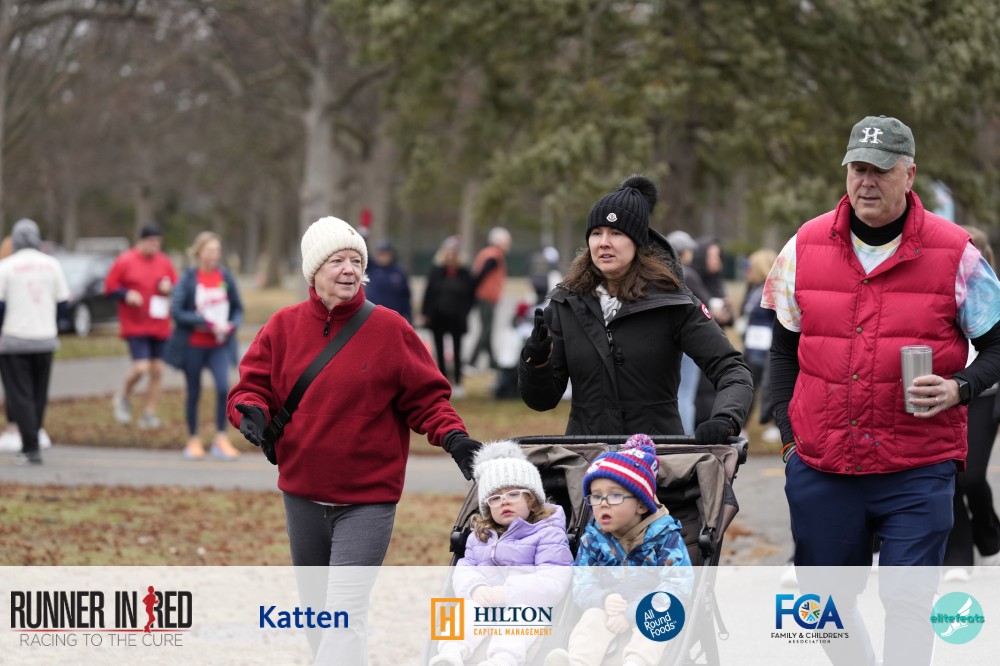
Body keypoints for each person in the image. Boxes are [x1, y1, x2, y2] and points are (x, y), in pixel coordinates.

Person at [762, 115, 1000, 666]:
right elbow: (782, 350)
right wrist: (791, 438)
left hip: (917, 466)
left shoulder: (957, 252)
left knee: (908, 602)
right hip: (822, 464)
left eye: (881, 170)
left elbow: (996, 346)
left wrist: (961, 388)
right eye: (858, 169)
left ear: (909, 175)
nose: (866, 182)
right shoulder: (803, 245)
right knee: (823, 606)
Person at [227, 216, 482, 663]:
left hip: (367, 500)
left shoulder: (390, 329)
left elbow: (427, 399)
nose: (349, 269)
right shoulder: (282, 327)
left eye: (355, 261)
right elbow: (251, 388)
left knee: (343, 614)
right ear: (314, 271)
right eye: (337, 261)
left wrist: (454, 438)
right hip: (302, 495)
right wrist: (250, 411)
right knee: (317, 617)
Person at [518, 175, 752, 443]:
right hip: (586, 460)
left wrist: (726, 418)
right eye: (596, 233)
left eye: (616, 233)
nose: (603, 242)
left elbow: (733, 369)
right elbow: (542, 400)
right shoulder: (566, 303)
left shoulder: (672, 301)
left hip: (656, 458)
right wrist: (536, 362)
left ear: (638, 242)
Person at [544, 434, 692, 666]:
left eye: (614, 495)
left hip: (650, 607)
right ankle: (577, 662)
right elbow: (581, 582)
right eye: (596, 496)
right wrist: (602, 599)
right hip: (609, 609)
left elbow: (677, 586)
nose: (603, 503)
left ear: (641, 504)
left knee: (659, 622)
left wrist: (633, 613)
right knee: (591, 618)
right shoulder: (593, 539)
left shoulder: (665, 537)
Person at [430, 440, 573, 666]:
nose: (504, 501)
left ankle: (502, 660)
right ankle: (449, 655)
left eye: (513, 494)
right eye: (495, 498)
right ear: (487, 507)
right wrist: (475, 588)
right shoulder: (481, 535)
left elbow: (554, 580)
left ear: (531, 500)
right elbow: (465, 568)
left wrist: (508, 592)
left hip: (526, 602)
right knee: (466, 609)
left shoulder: (547, 533)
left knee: (521, 619)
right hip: (486, 600)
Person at [943, 225, 1000, 582]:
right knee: (946, 473)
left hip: (985, 394)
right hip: (945, 391)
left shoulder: (990, 291)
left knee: (971, 477)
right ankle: (957, 558)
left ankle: (990, 537)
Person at [163, 232, 244, 461]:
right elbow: (177, 311)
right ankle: (193, 439)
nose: (214, 255)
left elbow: (238, 307)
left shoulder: (225, 276)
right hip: (193, 346)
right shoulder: (189, 278)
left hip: (219, 345)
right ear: (198, 253)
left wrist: (232, 325)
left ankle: (221, 439)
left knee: (223, 388)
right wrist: (204, 322)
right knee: (194, 392)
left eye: (217, 251)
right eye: (209, 251)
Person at [0, 219, 70, 465]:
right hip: (45, 339)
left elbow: (0, 305)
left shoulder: (6, 266)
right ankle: (35, 436)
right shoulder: (52, 264)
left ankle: (30, 447)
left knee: (20, 395)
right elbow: (63, 303)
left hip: (14, 340)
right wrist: (51, 323)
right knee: (39, 393)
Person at [105, 223, 178, 429]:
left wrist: (168, 287)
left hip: (159, 324)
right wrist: (126, 294)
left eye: (158, 242)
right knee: (141, 367)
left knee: (157, 370)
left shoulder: (164, 262)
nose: (155, 246)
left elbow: (176, 284)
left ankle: (148, 414)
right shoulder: (125, 260)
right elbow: (109, 286)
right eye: (151, 242)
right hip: (135, 324)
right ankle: (123, 397)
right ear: (141, 241)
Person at [421, 235, 476, 398]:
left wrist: (465, 311)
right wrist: (425, 313)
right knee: (439, 350)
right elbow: (429, 293)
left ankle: (458, 381)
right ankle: (443, 381)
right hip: (438, 317)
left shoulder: (464, 273)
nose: (450, 255)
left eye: (454, 252)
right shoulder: (436, 271)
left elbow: (470, 295)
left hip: (456, 318)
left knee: (458, 350)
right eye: (448, 252)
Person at [691, 236, 736, 427]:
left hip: (717, 343)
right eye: (711, 255)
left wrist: (726, 314)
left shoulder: (717, 282)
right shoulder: (693, 280)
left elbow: (731, 319)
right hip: (699, 345)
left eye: (718, 255)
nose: (716, 260)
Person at [665, 230, 705, 435]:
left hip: (666, 340)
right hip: (688, 339)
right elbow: (705, 303)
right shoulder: (688, 274)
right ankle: (686, 437)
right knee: (686, 394)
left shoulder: (661, 274)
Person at [739, 248, 779, 442]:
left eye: (750, 267)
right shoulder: (754, 289)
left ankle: (775, 425)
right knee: (748, 386)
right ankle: (742, 426)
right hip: (752, 347)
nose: (747, 271)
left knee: (772, 387)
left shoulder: (774, 291)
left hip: (768, 348)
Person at [468, 226, 512, 371]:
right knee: (486, 329)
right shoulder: (494, 255)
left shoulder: (488, 253)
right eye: (506, 242)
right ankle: (471, 361)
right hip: (486, 297)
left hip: (486, 296)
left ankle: (492, 361)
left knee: (488, 329)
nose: (508, 245)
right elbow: (481, 274)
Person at [364, 239, 413, 323]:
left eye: (385, 254)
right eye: (380, 254)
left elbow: (405, 297)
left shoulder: (399, 273)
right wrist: (364, 237)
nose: (383, 257)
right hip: (371, 315)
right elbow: (363, 253)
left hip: (393, 317)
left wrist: (409, 316)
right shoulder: (371, 268)